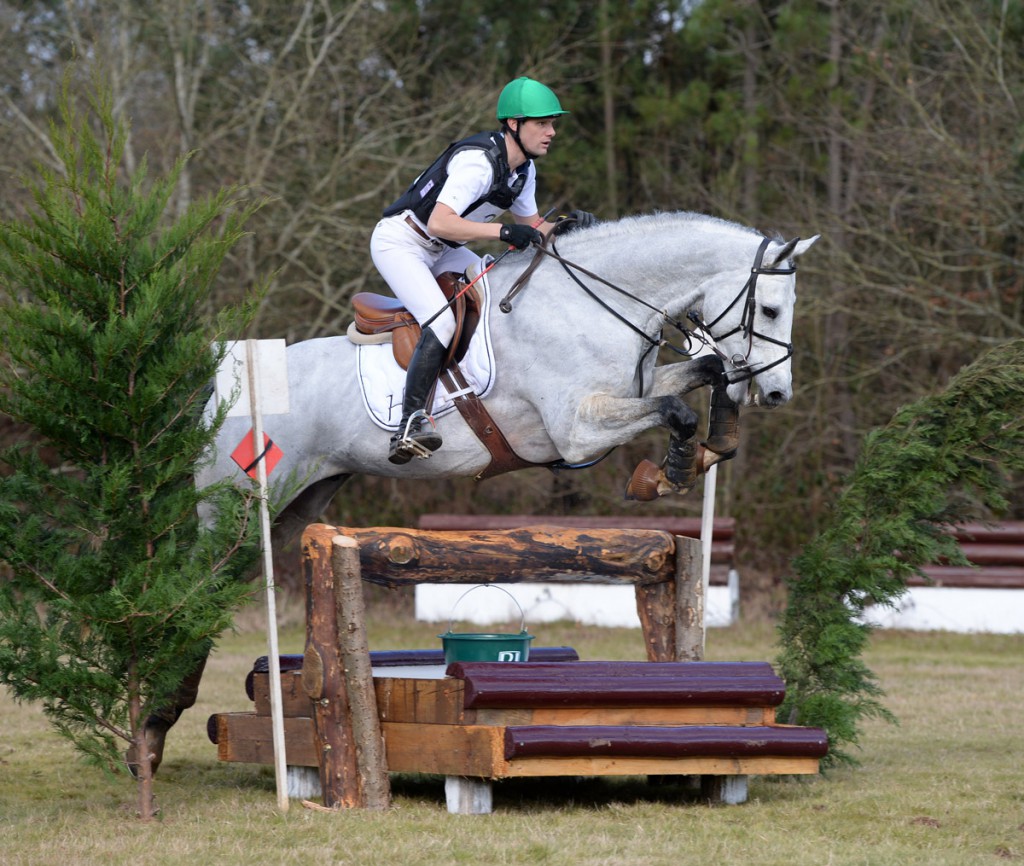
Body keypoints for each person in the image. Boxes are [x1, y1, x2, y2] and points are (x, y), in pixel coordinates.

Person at [371, 76, 595, 465]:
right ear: (514, 124)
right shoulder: (477, 162)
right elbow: (440, 222)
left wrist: (568, 228)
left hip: (444, 249)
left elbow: (534, 227)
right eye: (542, 123)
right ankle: (409, 423)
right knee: (441, 323)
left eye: (552, 123)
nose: (552, 131)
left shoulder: (523, 170)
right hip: (402, 243)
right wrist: (503, 230)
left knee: (498, 295)